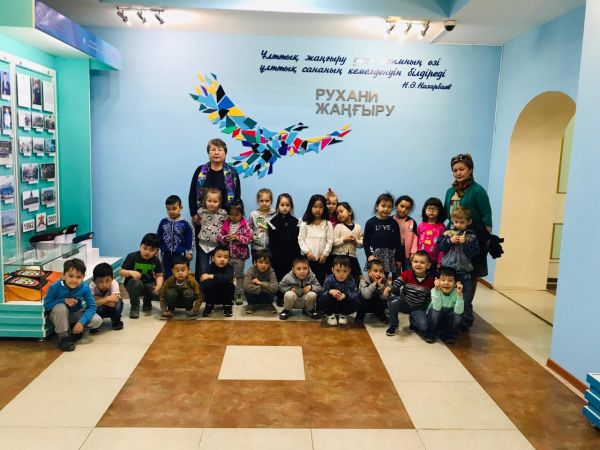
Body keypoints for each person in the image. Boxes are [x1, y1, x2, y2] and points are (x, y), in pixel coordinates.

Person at [444, 153, 492, 330]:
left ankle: (465, 314)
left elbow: (486, 214)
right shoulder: (450, 191)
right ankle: (450, 311)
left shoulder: (478, 191)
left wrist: (486, 238)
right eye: (454, 170)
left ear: (470, 170)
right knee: (451, 272)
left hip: (473, 236)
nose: (458, 173)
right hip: (453, 237)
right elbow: (446, 213)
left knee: (470, 275)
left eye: (462, 169)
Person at [189, 138, 241, 282]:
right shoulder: (200, 171)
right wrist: (194, 214)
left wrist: (232, 218)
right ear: (208, 152)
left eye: (220, 150)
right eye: (213, 149)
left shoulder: (232, 172)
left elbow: (237, 196)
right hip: (203, 220)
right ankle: (202, 288)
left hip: (224, 222)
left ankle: (220, 284)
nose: (216, 152)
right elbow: (192, 193)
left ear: (225, 153)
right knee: (202, 257)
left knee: (221, 256)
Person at [436, 206, 480, 332]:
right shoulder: (447, 233)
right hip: (448, 273)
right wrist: (449, 241)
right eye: (456, 222)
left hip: (464, 273)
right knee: (447, 297)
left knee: (465, 300)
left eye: (462, 222)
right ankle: (446, 321)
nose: (458, 225)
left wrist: (465, 243)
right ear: (452, 220)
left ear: (469, 222)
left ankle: (464, 324)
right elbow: (439, 247)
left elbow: (473, 253)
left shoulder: (472, 237)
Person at [43, 258, 102, 351]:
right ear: (63, 275)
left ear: (83, 277)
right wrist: (64, 300)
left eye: (78, 277)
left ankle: (75, 330)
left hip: (75, 315)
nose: (74, 280)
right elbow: (47, 305)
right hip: (59, 316)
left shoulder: (84, 287)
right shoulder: (54, 287)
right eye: (70, 276)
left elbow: (92, 307)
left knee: (97, 320)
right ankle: (63, 337)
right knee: (60, 308)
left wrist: (81, 322)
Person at [386, 250, 435, 338]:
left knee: (423, 326)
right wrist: (390, 288)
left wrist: (425, 310)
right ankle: (393, 325)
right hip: (404, 304)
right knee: (393, 302)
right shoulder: (406, 274)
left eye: (422, 262)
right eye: (416, 261)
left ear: (428, 265)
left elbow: (430, 297)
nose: (418, 264)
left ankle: (413, 320)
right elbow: (397, 283)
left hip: (418, 308)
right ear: (412, 263)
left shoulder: (431, 281)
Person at [120, 233, 164, 319]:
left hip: (148, 283)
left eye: (152, 250)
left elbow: (159, 275)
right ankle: (134, 306)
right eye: (145, 248)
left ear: (157, 251)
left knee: (155, 288)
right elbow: (121, 272)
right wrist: (130, 272)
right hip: (133, 284)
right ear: (140, 246)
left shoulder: (156, 260)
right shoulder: (132, 256)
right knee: (136, 283)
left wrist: (159, 285)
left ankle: (147, 302)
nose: (147, 252)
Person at [268, 193, 301, 306]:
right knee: (279, 277)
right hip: (278, 257)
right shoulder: (272, 222)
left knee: (291, 277)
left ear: (291, 206)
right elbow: (272, 243)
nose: (285, 207)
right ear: (278, 206)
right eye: (282, 205)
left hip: (292, 257)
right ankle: (280, 297)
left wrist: (296, 257)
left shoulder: (296, 222)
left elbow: (297, 241)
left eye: (287, 205)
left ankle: (292, 297)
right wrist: (276, 255)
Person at [217, 200, 252, 304]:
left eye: (236, 214)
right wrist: (225, 238)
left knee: (239, 276)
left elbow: (249, 239)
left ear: (242, 213)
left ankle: (239, 295)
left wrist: (238, 237)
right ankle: (228, 294)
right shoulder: (226, 224)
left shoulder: (245, 225)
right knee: (227, 276)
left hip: (240, 257)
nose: (234, 217)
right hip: (227, 256)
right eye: (231, 214)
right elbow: (219, 237)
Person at [363, 192, 403, 277]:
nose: (386, 209)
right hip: (375, 257)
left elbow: (397, 242)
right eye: (383, 206)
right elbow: (365, 241)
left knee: (384, 278)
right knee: (373, 278)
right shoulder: (370, 223)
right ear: (377, 206)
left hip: (389, 257)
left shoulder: (394, 223)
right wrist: (369, 255)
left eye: (389, 207)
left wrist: (398, 258)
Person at [298, 194, 333, 284]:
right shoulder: (305, 223)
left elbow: (330, 241)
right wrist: (307, 252)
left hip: (322, 260)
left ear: (324, 208)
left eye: (320, 207)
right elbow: (301, 239)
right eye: (315, 207)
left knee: (320, 281)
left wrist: (325, 254)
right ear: (310, 207)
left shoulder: (327, 224)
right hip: (308, 259)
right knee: (306, 280)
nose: (318, 209)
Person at [156, 194, 194, 279]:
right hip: (165, 253)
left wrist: (190, 251)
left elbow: (190, 238)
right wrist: (157, 249)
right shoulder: (163, 222)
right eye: (168, 209)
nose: (171, 211)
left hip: (180, 253)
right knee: (166, 272)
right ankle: (167, 286)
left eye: (174, 208)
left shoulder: (185, 223)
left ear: (180, 208)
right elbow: (158, 236)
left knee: (179, 272)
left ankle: (180, 286)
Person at [195, 187, 228, 278]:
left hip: (217, 246)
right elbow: (197, 222)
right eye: (209, 201)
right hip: (203, 245)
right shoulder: (201, 212)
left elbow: (226, 226)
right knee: (203, 268)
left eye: (215, 201)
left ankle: (216, 284)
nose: (212, 204)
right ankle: (203, 285)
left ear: (219, 202)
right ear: (205, 201)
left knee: (218, 268)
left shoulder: (223, 214)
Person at [318, 256, 360, 326]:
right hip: (332, 304)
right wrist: (330, 291)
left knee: (357, 301)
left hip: (344, 304)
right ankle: (330, 315)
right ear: (333, 270)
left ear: (349, 270)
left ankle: (343, 315)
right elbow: (322, 292)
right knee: (322, 299)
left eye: (345, 271)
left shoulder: (351, 280)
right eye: (338, 271)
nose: (341, 274)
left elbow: (355, 293)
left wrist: (345, 295)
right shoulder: (329, 279)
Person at [427, 267, 464, 344]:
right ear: (437, 281)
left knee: (457, 314)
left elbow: (459, 312)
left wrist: (459, 295)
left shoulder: (457, 292)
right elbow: (437, 307)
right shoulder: (434, 290)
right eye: (443, 280)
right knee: (435, 311)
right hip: (435, 318)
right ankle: (431, 333)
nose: (446, 283)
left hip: (447, 320)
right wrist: (437, 290)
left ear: (455, 283)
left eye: (450, 280)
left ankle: (449, 334)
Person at [278, 256, 322, 320]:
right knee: (288, 294)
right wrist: (289, 288)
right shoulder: (288, 277)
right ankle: (287, 310)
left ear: (309, 268)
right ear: (293, 270)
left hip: (305, 300)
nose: (302, 271)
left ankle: (309, 310)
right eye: (298, 269)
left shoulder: (312, 276)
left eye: (305, 268)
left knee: (312, 294)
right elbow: (280, 286)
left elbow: (320, 288)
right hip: (293, 301)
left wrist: (311, 287)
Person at [332, 201, 363, 286]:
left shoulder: (358, 227)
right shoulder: (338, 226)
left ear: (350, 211)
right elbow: (333, 242)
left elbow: (362, 243)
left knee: (355, 278)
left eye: (341, 211)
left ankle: (353, 292)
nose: (339, 214)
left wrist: (356, 242)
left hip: (352, 257)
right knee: (338, 278)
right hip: (338, 257)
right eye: (337, 213)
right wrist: (344, 240)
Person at [200, 244, 235, 317]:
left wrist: (211, 276)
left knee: (230, 284)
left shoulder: (230, 267)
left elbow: (227, 277)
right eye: (219, 256)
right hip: (213, 295)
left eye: (225, 257)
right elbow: (203, 278)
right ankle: (209, 305)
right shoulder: (209, 267)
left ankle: (227, 306)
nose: (222, 259)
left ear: (228, 259)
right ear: (213, 258)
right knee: (207, 283)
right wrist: (214, 279)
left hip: (225, 295)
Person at [89, 262, 124, 331]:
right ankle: (98, 323)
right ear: (94, 281)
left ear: (112, 279)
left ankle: (116, 321)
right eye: (100, 282)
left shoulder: (114, 283)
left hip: (110, 307)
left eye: (107, 281)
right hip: (101, 308)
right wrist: (108, 298)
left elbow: (113, 303)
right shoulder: (91, 286)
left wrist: (97, 298)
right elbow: (91, 304)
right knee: (94, 308)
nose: (104, 285)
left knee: (118, 303)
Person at [417, 197, 446, 276]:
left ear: (440, 211)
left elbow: (443, 246)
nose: (432, 211)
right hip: (421, 259)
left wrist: (440, 261)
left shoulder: (442, 227)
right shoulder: (421, 225)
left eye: (435, 209)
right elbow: (417, 242)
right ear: (425, 210)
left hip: (434, 260)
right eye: (429, 208)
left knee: (432, 279)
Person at [243, 249, 278, 314]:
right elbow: (245, 286)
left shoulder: (271, 271)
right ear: (255, 263)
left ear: (269, 264)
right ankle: (251, 304)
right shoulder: (251, 269)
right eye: (260, 262)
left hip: (266, 296)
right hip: (254, 294)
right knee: (247, 290)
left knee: (273, 290)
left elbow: (275, 287)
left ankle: (269, 304)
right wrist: (264, 287)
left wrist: (259, 283)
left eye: (266, 262)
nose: (263, 265)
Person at [356, 259, 391, 324]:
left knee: (386, 297)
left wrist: (380, 285)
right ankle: (360, 316)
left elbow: (385, 297)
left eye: (381, 271)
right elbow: (366, 296)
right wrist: (374, 283)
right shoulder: (363, 279)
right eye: (375, 271)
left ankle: (380, 314)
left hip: (376, 304)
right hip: (365, 304)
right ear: (369, 272)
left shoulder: (383, 279)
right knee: (359, 297)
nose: (378, 274)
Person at [393, 195, 418, 271]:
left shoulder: (411, 222)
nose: (404, 210)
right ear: (396, 205)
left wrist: (413, 252)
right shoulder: (390, 220)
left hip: (407, 251)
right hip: (395, 251)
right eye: (402, 206)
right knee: (396, 272)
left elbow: (415, 238)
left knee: (408, 272)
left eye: (407, 208)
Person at [248, 188, 276, 256]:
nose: (264, 203)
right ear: (258, 201)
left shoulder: (275, 214)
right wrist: (253, 236)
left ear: (271, 201)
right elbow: (248, 228)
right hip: (256, 248)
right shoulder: (253, 214)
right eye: (261, 201)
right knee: (257, 262)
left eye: (267, 201)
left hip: (271, 247)